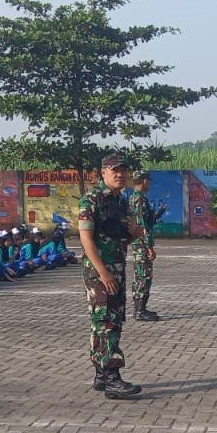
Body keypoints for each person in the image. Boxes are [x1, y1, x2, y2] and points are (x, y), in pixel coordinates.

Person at [78, 155, 143, 399]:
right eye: (114, 170)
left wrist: (134, 235)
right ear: (102, 173)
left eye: (123, 171)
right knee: (105, 322)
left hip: (116, 268)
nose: (120, 175)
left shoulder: (121, 202)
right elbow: (86, 239)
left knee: (110, 321)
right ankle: (112, 378)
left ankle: (100, 374)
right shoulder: (92, 200)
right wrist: (103, 272)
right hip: (100, 273)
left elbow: (119, 238)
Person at [128, 172, 160, 321]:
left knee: (142, 275)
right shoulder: (139, 199)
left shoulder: (135, 198)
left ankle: (142, 308)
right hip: (141, 244)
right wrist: (149, 247)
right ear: (144, 181)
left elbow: (146, 221)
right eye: (149, 181)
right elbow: (141, 225)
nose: (150, 184)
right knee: (143, 275)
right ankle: (139, 310)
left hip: (138, 242)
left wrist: (157, 215)